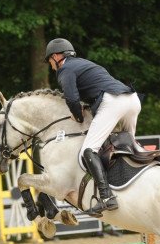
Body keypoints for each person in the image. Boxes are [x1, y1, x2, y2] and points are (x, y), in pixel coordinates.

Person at [45, 38, 141, 215]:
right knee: (130, 146)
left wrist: (79, 117)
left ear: (57, 56)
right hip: (132, 100)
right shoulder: (85, 64)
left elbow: (72, 99)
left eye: (50, 60)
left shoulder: (65, 70)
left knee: (88, 150)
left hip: (113, 102)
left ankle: (106, 197)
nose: (51, 66)